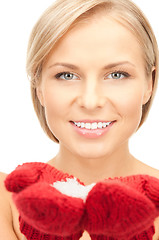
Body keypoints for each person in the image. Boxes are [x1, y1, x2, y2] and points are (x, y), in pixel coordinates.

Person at [0, 0, 159, 239]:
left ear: (149, 83)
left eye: (117, 74)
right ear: (38, 87)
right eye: (66, 75)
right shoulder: (6, 197)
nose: (90, 101)